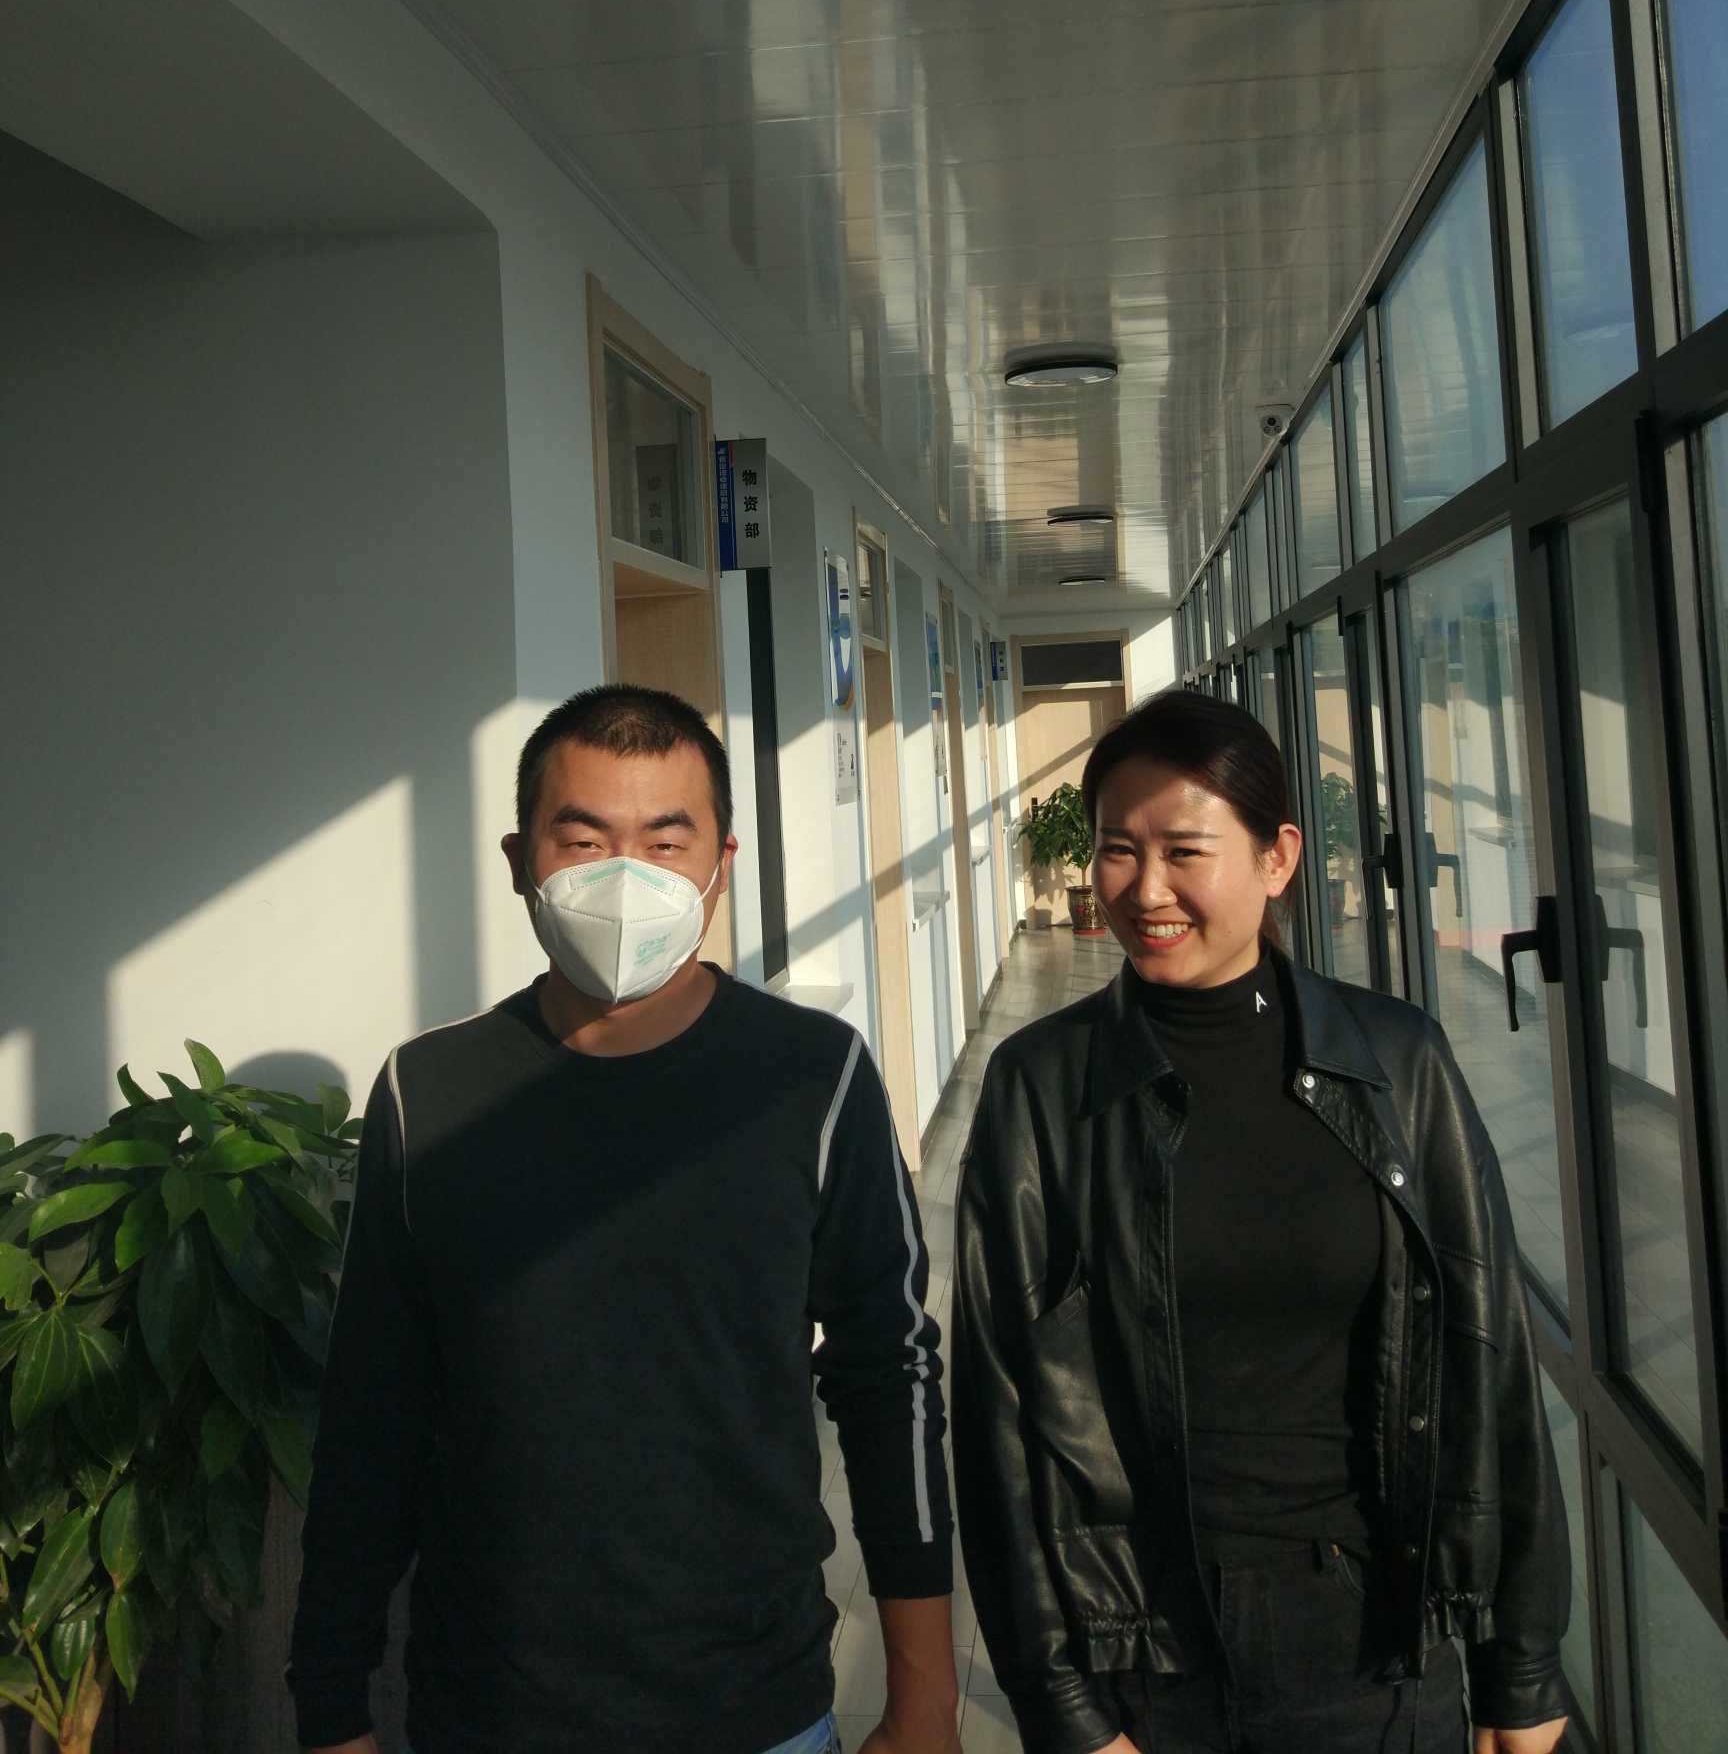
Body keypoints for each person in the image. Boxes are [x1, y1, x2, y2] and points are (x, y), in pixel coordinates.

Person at [289, 683, 960, 1754]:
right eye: (585, 840)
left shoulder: (810, 1077)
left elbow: (890, 1376)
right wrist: (330, 1706)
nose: (624, 878)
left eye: (664, 841)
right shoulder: (430, 1093)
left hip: (755, 1707)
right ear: (520, 861)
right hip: (487, 1709)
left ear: (720, 866)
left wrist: (925, 1698)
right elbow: (375, 1408)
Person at [952, 690, 1571, 1754]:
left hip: (1377, 1642)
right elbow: (997, 1406)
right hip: (1142, 1648)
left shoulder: (1396, 1062)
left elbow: (1488, 1355)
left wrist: (1522, 1666)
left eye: (1184, 852)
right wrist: (1060, 1705)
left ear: (1277, 858)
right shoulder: (1042, 1086)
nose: (1146, 889)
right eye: (1117, 850)